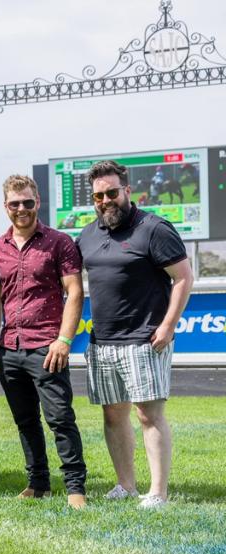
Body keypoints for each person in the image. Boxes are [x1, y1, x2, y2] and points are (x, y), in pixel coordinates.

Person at [77, 160, 194, 509]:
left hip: (145, 340)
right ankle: (126, 485)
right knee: (113, 415)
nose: (105, 200)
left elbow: (183, 277)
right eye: (98, 196)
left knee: (148, 414)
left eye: (112, 193)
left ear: (127, 191)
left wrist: (168, 326)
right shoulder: (87, 235)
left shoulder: (154, 228)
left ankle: (157, 492)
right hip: (103, 342)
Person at [0, 175, 87, 509]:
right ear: (6, 206)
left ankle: (75, 487)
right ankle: (38, 483)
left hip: (47, 346)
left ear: (37, 202)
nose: (22, 209)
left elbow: (75, 292)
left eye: (28, 202)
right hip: (10, 347)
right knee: (25, 421)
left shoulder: (59, 242)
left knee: (60, 419)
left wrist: (64, 340)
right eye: (15, 203)